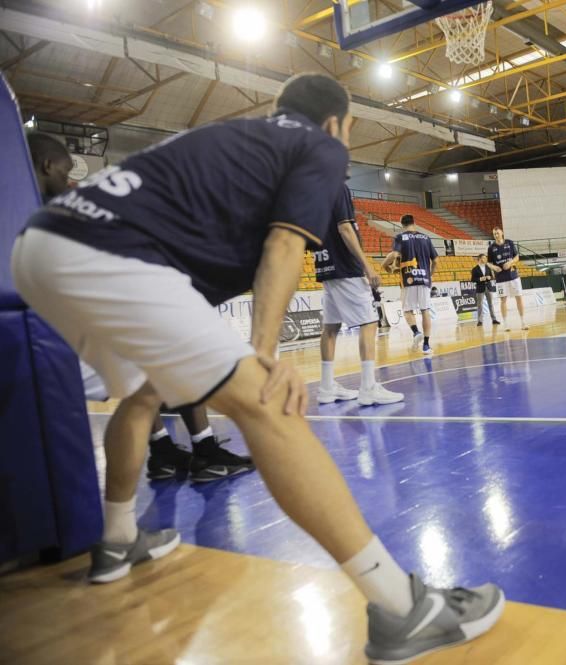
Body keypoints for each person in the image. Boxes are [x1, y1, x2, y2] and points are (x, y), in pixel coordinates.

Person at [12, 74, 503, 662]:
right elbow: (284, 245)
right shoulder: (319, 146)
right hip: (109, 254)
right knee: (268, 402)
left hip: (40, 243)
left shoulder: (236, 138)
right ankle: (403, 607)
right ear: (337, 124)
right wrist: (264, 357)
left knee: (142, 394)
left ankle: (117, 539)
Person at [27, 133, 251, 482]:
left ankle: (162, 452)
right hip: (65, 345)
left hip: (65, 338)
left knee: (144, 371)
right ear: (46, 166)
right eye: (65, 171)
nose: (68, 180)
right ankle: (204, 452)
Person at [315, 184, 402, 407]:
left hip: (325, 266)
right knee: (369, 322)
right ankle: (369, 387)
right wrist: (367, 266)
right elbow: (345, 229)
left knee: (331, 327)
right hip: (346, 268)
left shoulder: (312, 190)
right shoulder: (337, 187)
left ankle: (326, 387)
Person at [381, 214, 438, 355]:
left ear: (402, 224)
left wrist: (384, 265)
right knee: (425, 311)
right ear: (414, 222)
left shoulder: (400, 237)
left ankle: (415, 331)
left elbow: (394, 255)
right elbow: (436, 260)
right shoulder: (426, 238)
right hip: (424, 279)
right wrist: (430, 274)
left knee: (407, 311)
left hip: (408, 279)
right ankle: (426, 345)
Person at [487, 227, 528, 331]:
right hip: (500, 278)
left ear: (502, 233)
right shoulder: (491, 248)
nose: (496, 235)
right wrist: (494, 267)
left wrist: (510, 263)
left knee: (519, 298)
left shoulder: (509, 243)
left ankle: (523, 322)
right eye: (494, 234)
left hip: (513, 276)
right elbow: (489, 263)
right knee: (503, 300)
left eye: (497, 233)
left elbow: (517, 257)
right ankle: (506, 324)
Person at [471, 253, 500, 326]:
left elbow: (492, 276)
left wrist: (490, 278)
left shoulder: (488, 267)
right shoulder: (475, 269)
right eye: (484, 258)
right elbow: (473, 279)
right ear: (480, 259)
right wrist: (480, 279)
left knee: (491, 304)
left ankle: (494, 319)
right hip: (480, 288)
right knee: (479, 305)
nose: (485, 259)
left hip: (488, 287)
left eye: (485, 258)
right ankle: (480, 321)